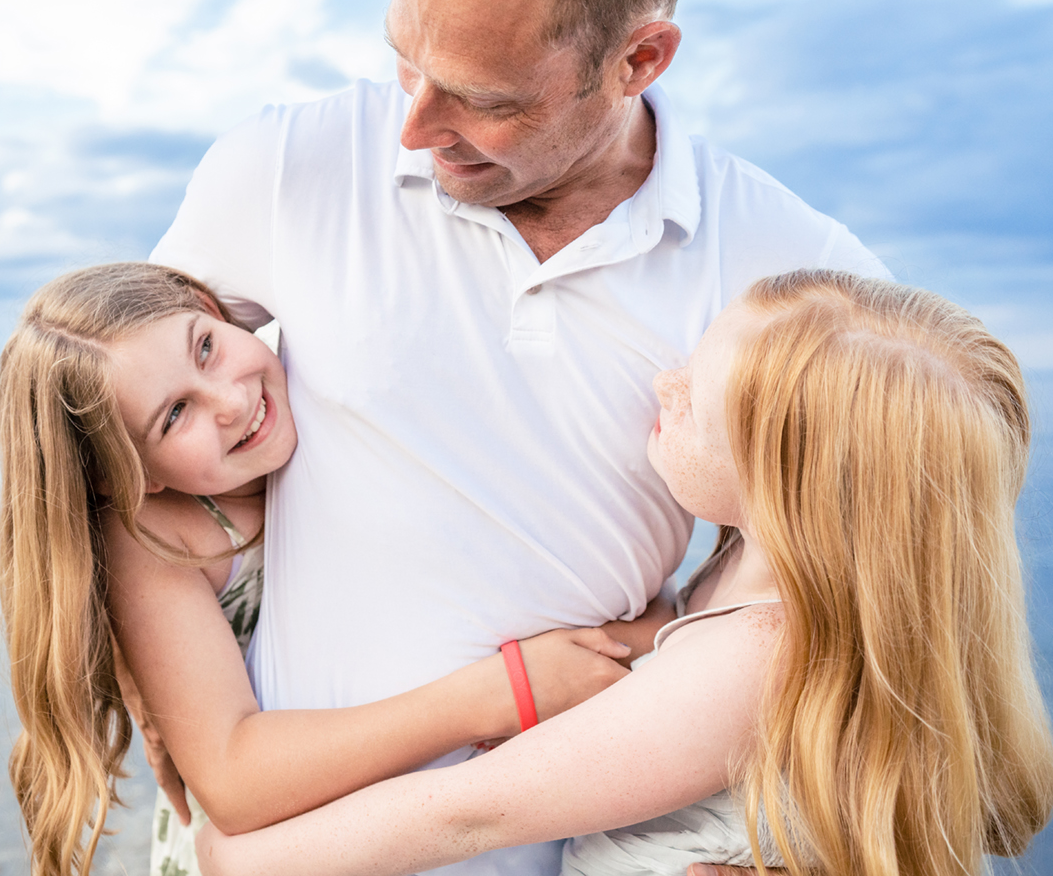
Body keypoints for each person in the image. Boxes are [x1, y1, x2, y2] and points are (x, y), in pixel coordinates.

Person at [150, 0, 889, 872]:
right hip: (280, 837)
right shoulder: (286, 166)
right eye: (403, 57)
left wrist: (780, 826)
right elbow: (102, 426)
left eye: (484, 98)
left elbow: (899, 565)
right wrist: (160, 670)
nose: (411, 125)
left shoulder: (794, 267)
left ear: (639, 59)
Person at [196, 269, 1053, 876]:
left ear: (783, 483)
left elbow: (476, 810)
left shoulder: (753, 654)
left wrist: (241, 855)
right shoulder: (756, 582)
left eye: (693, 401)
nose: (663, 384)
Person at [0, 262, 655, 876]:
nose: (227, 401)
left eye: (205, 348)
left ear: (211, 308)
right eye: (174, 415)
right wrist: (496, 696)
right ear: (126, 479)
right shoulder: (160, 538)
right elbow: (233, 777)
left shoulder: (328, 377)